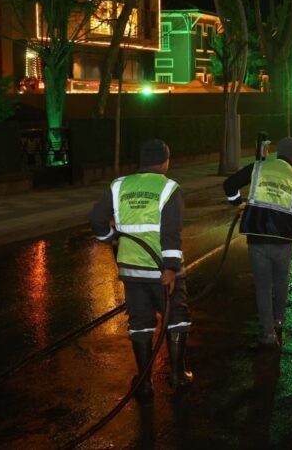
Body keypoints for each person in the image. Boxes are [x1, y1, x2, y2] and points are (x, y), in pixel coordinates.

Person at [89, 139, 192, 404]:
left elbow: (97, 219)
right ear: (165, 161)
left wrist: (111, 237)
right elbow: (171, 233)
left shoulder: (119, 185)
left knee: (140, 321)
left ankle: (144, 383)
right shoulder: (169, 187)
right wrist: (171, 269)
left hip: (131, 270)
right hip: (161, 271)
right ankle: (178, 375)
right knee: (176, 316)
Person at [224, 136, 292, 348]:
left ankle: (267, 333)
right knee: (281, 281)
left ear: (275, 151)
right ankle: (278, 321)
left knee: (263, 285)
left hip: (257, 238)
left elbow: (229, 184)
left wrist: (238, 203)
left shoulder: (258, 168)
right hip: (283, 240)